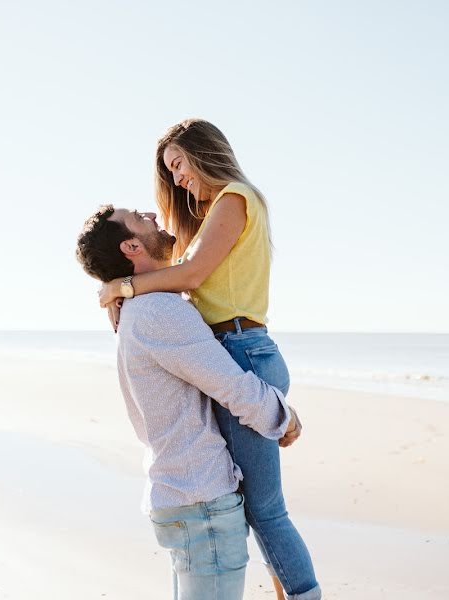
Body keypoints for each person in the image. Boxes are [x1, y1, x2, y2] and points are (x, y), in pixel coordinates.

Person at [97, 119, 321, 600]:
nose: (177, 178)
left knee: (266, 509)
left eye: (179, 164)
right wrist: (119, 284)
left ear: (203, 152)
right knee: (253, 505)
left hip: (242, 352)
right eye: (170, 171)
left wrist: (125, 286)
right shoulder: (207, 216)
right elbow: (170, 263)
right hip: (233, 350)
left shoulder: (235, 198)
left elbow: (192, 274)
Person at [75, 204, 302, 600]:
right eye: (138, 217)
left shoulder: (137, 308)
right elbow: (231, 387)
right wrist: (285, 418)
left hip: (182, 497)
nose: (150, 213)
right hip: (202, 505)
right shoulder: (158, 310)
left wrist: (118, 287)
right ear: (131, 246)